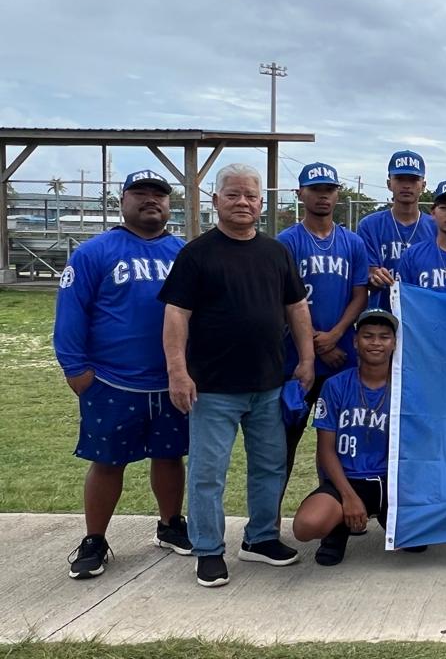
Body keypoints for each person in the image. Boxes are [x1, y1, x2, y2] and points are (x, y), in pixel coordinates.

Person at [159, 163, 314, 588]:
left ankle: (260, 538)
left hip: (268, 383)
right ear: (216, 201)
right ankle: (208, 549)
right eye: (233, 195)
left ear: (262, 204)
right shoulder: (197, 254)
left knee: (269, 466)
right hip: (213, 387)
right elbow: (176, 314)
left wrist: (306, 358)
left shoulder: (276, 252)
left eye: (250, 196)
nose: (242, 202)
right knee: (208, 473)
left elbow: (297, 308)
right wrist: (177, 371)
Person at [54, 169, 190, 579]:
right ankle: (95, 539)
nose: (151, 199)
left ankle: (170, 524)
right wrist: (76, 369)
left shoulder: (184, 253)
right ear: (122, 200)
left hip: (169, 380)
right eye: (140, 192)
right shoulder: (94, 252)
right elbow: (71, 313)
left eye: (159, 194)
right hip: (112, 379)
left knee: (170, 456)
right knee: (107, 461)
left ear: (169, 203)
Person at [276, 162, 370, 494]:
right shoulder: (286, 241)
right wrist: (316, 343)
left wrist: (335, 335)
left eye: (329, 189)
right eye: (315, 189)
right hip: (295, 359)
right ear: (300, 193)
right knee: (283, 445)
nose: (323, 196)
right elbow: (282, 300)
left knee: (340, 442)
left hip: (341, 356)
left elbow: (360, 294)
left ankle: (336, 510)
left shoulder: (352, 242)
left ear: (337, 194)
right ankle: (269, 520)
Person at [292, 309, 398, 566]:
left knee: (418, 544)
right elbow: (325, 450)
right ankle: (337, 528)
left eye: (384, 337)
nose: (375, 342)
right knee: (306, 526)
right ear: (355, 342)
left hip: (392, 481)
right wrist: (349, 497)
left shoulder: (405, 386)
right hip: (348, 479)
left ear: (394, 343)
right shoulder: (335, 385)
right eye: (368, 336)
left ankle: (390, 518)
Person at [356, 150, 436, 310]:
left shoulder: (435, 227)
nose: (406, 185)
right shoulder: (369, 225)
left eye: (413, 179)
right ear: (389, 183)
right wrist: (374, 276)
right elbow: (367, 272)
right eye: (399, 179)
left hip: (423, 312)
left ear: (423, 185)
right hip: (382, 313)